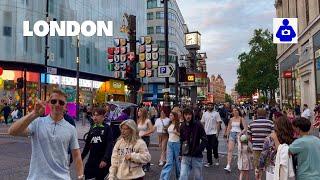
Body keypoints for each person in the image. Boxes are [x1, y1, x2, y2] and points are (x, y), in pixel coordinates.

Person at [8, 89, 84, 180]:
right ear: (49, 103)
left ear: (65, 107)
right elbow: (12, 131)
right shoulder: (37, 122)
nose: (57, 104)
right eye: (53, 101)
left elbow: (76, 155)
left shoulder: (71, 129)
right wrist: (34, 114)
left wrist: (80, 176)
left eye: (61, 102)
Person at [81, 108, 113, 180]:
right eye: (93, 115)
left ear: (103, 117)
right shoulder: (92, 128)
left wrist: (105, 159)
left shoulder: (107, 128)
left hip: (101, 161)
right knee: (88, 176)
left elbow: (109, 145)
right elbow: (87, 146)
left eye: (97, 115)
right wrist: (81, 157)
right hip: (91, 160)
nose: (95, 117)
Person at [179, 108, 208, 180]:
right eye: (186, 115)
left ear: (192, 115)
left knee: (198, 177)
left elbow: (205, 139)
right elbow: (181, 140)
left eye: (189, 114)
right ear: (183, 116)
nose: (188, 116)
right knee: (182, 176)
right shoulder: (182, 126)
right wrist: (180, 153)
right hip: (186, 155)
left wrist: (199, 149)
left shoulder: (198, 124)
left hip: (196, 156)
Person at [247, 108, 274, 180]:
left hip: (256, 148)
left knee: (257, 166)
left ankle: (258, 178)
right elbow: (273, 136)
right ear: (266, 114)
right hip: (267, 149)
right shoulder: (270, 123)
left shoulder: (251, 124)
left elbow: (249, 137)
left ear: (257, 114)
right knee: (268, 165)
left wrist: (254, 142)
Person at [224, 108, 247, 172]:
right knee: (230, 150)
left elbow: (245, 128)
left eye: (236, 110)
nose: (235, 112)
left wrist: (240, 133)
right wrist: (227, 136)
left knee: (240, 150)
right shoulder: (231, 119)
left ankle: (240, 163)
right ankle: (228, 165)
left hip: (239, 135)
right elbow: (229, 127)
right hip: (232, 134)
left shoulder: (241, 118)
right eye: (233, 111)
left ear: (238, 111)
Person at [160, 112, 181, 180]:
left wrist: (176, 133)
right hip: (170, 143)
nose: (170, 116)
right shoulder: (169, 124)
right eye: (169, 115)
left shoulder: (179, 125)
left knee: (177, 162)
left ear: (175, 116)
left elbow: (183, 136)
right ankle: (164, 178)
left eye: (171, 115)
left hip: (176, 144)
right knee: (169, 162)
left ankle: (180, 177)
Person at [200, 102, 222, 167]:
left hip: (214, 133)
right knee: (208, 148)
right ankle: (209, 162)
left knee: (214, 147)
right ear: (207, 106)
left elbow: (218, 123)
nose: (210, 106)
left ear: (213, 106)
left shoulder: (216, 113)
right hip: (206, 133)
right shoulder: (204, 114)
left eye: (211, 105)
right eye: (209, 105)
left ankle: (216, 158)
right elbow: (203, 123)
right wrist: (203, 132)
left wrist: (217, 133)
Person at [137, 107, 154, 172]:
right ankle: (142, 165)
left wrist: (144, 134)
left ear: (143, 113)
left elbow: (152, 130)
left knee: (145, 151)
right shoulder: (138, 120)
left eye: (139, 111)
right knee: (140, 151)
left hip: (145, 138)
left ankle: (146, 165)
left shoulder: (148, 121)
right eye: (138, 111)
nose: (138, 112)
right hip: (139, 138)